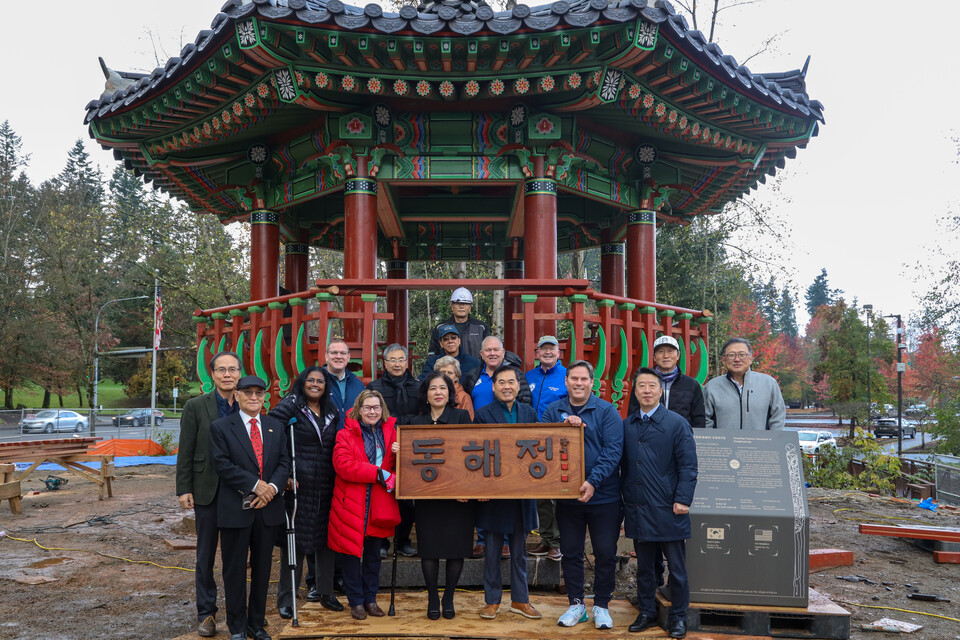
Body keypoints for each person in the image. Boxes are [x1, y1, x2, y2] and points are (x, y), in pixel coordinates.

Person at [543, 361, 623, 630]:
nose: (578, 383)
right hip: (567, 497)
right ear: (566, 381)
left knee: (605, 552)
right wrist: (562, 427)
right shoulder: (553, 410)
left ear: (592, 382)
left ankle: (601, 605)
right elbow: (543, 446)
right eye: (574, 378)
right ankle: (576, 604)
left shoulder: (606, 411)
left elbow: (613, 452)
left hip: (604, 497)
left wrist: (593, 481)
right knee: (571, 552)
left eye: (584, 379)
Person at [209, 376, 290, 640]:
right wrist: (256, 485)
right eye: (248, 393)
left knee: (263, 568)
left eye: (258, 392)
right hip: (236, 510)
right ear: (238, 395)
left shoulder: (275, 426)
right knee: (234, 569)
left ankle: (257, 624)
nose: (253, 397)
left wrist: (272, 490)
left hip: (268, 510)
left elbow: (283, 463)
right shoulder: (221, 427)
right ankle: (238, 627)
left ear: (265, 396)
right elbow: (222, 464)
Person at [623, 368, 697, 639]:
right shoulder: (627, 425)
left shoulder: (676, 423)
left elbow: (688, 465)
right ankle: (646, 611)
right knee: (644, 568)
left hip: (669, 508)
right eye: (641, 386)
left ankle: (678, 617)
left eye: (652, 386)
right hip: (639, 507)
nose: (646, 390)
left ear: (660, 391)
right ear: (635, 390)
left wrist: (682, 499)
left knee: (676, 569)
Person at [175, 351, 240, 638]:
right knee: (205, 556)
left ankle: (238, 612)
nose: (228, 375)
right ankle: (207, 613)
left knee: (236, 556)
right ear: (212, 374)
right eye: (221, 370)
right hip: (206, 490)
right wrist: (184, 488)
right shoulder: (195, 406)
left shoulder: (249, 404)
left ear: (239, 373)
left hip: (239, 492)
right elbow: (186, 449)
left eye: (233, 370)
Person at [269, 367, 343, 617]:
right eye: (310, 380)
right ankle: (287, 597)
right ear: (302, 383)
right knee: (295, 543)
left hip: (325, 486)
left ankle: (326, 592)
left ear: (325, 386)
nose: (315, 385)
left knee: (326, 541)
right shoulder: (291, 406)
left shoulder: (331, 410)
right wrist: (284, 474)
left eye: (320, 381)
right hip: (298, 486)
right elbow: (272, 436)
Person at [473, 366, 542, 621]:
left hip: (522, 491)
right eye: (501, 382)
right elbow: (477, 455)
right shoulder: (482, 415)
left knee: (520, 550)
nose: (506, 386)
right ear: (493, 386)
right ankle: (492, 600)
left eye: (511, 382)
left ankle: (520, 600)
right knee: (491, 550)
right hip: (494, 492)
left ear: (517, 385)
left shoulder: (529, 412)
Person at [408, 371, 476, 620]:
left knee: (456, 549)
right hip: (429, 499)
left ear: (450, 394)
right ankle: (432, 597)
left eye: (443, 388)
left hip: (458, 498)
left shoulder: (461, 417)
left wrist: (465, 489)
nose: (438, 392)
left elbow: (471, 456)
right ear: (426, 395)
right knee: (429, 550)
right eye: (433, 388)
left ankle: (448, 597)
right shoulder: (415, 424)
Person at [328, 390, 401, 621]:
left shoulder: (392, 433)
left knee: (374, 555)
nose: (372, 411)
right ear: (359, 409)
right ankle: (356, 601)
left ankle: (371, 599)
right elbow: (343, 465)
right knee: (351, 554)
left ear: (383, 410)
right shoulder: (345, 434)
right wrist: (379, 473)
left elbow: (404, 464)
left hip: (379, 502)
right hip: (351, 501)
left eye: (376, 408)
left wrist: (400, 456)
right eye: (368, 407)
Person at [366, 343, 420, 557]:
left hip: (410, 448)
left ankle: (403, 539)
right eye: (392, 360)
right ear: (385, 363)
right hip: (382, 447)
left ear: (407, 362)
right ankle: (381, 541)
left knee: (407, 497)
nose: (397, 364)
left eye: (401, 360)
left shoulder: (418, 387)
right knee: (382, 494)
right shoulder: (374, 387)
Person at [525, 335, 567, 561]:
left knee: (554, 493)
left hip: (557, 439)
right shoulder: (528, 376)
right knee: (541, 494)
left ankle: (557, 543)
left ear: (558, 353)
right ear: (537, 353)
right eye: (543, 349)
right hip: (531, 441)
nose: (547, 353)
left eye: (552, 349)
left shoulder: (566, 376)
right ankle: (546, 538)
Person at [704, 337, 786, 430]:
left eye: (742, 355)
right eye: (731, 355)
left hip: (761, 443)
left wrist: (773, 441)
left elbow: (778, 417)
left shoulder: (769, 384)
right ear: (724, 361)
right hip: (725, 444)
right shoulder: (712, 386)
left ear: (750, 359)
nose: (737, 359)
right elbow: (706, 421)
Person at [627, 336, 705, 429]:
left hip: (681, 436)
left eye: (670, 351)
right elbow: (633, 413)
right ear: (654, 357)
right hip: (649, 436)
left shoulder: (691, 384)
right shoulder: (643, 382)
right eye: (660, 351)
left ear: (678, 355)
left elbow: (699, 418)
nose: (666, 356)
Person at [464, 336, 532, 410]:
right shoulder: (472, 375)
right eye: (488, 350)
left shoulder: (516, 374)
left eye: (496, 350)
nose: (492, 353)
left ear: (503, 352)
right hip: (478, 421)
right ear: (481, 354)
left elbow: (525, 403)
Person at [427, 287, 490, 359]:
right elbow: (432, 355)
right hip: (447, 369)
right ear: (452, 307)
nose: (461, 306)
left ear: (470, 307)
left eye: (465, 303)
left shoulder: (481, 328)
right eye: (458, 303)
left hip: (475, 369)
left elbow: (488, 353)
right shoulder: (441, 327)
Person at [324, 338, 365, 417]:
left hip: (351, 429)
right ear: (326, 356)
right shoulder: (317, 382)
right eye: (334, 353)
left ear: (348, 357)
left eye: (343, 353)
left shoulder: (358, 385)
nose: (339, 356)